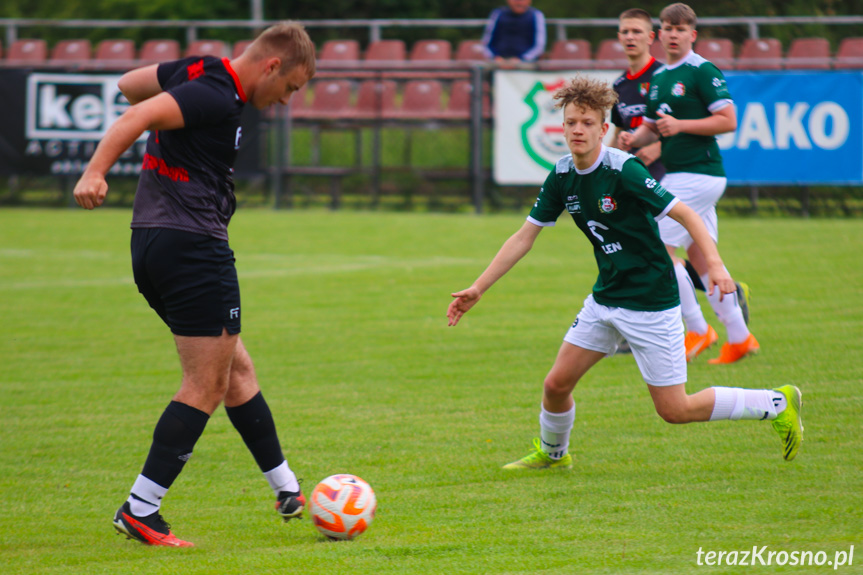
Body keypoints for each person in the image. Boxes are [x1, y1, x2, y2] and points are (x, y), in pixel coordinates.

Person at [446, 75, 802, 471]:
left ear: (603, 129)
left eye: (586, 123)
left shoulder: (624, 170)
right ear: (562, 127)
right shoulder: (562, 175)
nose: (577, 130)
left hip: (651, 303)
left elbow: (685, 213)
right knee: (555, 385)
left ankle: (775, 402)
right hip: (606, 299)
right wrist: (479, 287)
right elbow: (523, 237)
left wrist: (715, 265)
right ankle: (554, 453)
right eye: (570, 122)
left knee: (675, 409)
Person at [72, 22, 316, 547]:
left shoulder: (200, 71)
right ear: (272, 65)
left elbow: (128, 83)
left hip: (153, 243)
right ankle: (141, 508)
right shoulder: (215, 94)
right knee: (204, 384)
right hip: (193, 248)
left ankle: (288, 490)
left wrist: (174, 101)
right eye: (290, 88)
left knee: (234, 366)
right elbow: (136, 112)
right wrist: (95, 171)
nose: (285, 101)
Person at [619, 3, 756, 364]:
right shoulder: (661, 77)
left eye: (680, 29)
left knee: (657, 247)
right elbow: (650, 127)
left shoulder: (701, 70)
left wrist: (680, 126)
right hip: (684, 175)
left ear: (692, 35)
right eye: (667, 28)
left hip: (698, 173)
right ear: (660, 34)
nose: (673, 34)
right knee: (702, 259)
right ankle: (740, 338)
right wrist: (631, 141)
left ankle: (696, 329)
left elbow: (727, 120)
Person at [481, 0, 547, 68]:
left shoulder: (536, 15)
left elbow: (539, 46)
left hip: (525, 64)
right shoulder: (498, 13)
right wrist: (495, 57)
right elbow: (486, 42)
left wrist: (521, 59)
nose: (518, 2)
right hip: (497, 63)